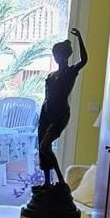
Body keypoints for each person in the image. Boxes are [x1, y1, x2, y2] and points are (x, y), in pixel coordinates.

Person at [35, 27, 87, 186]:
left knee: (45, 146)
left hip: (60, 114)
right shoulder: (51, 75)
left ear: (65, 56)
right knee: (42, 148)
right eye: (55, 55)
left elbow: (84, 60)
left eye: (59, 55)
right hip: (46, 113)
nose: (57, 57)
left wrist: (79, 38)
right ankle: (47, 182)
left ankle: (61, 180)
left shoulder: (70, 72)